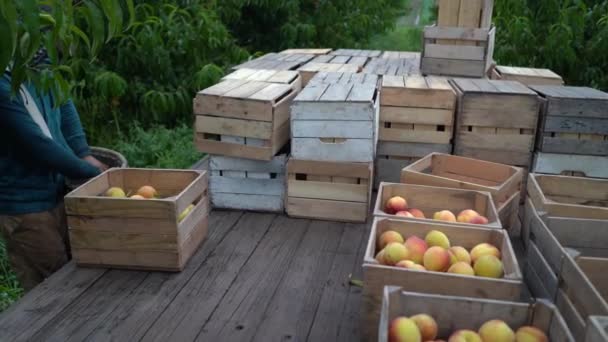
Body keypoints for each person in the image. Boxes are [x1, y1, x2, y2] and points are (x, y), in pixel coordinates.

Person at [0, 53, 107, 291]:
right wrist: (91, 171)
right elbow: (37, 144)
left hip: (59, 189)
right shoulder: (3, 81)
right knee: (52, 287)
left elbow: (64, 101)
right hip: (26, 205)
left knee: (76, 271)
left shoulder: (36, 62)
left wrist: (82, 151)